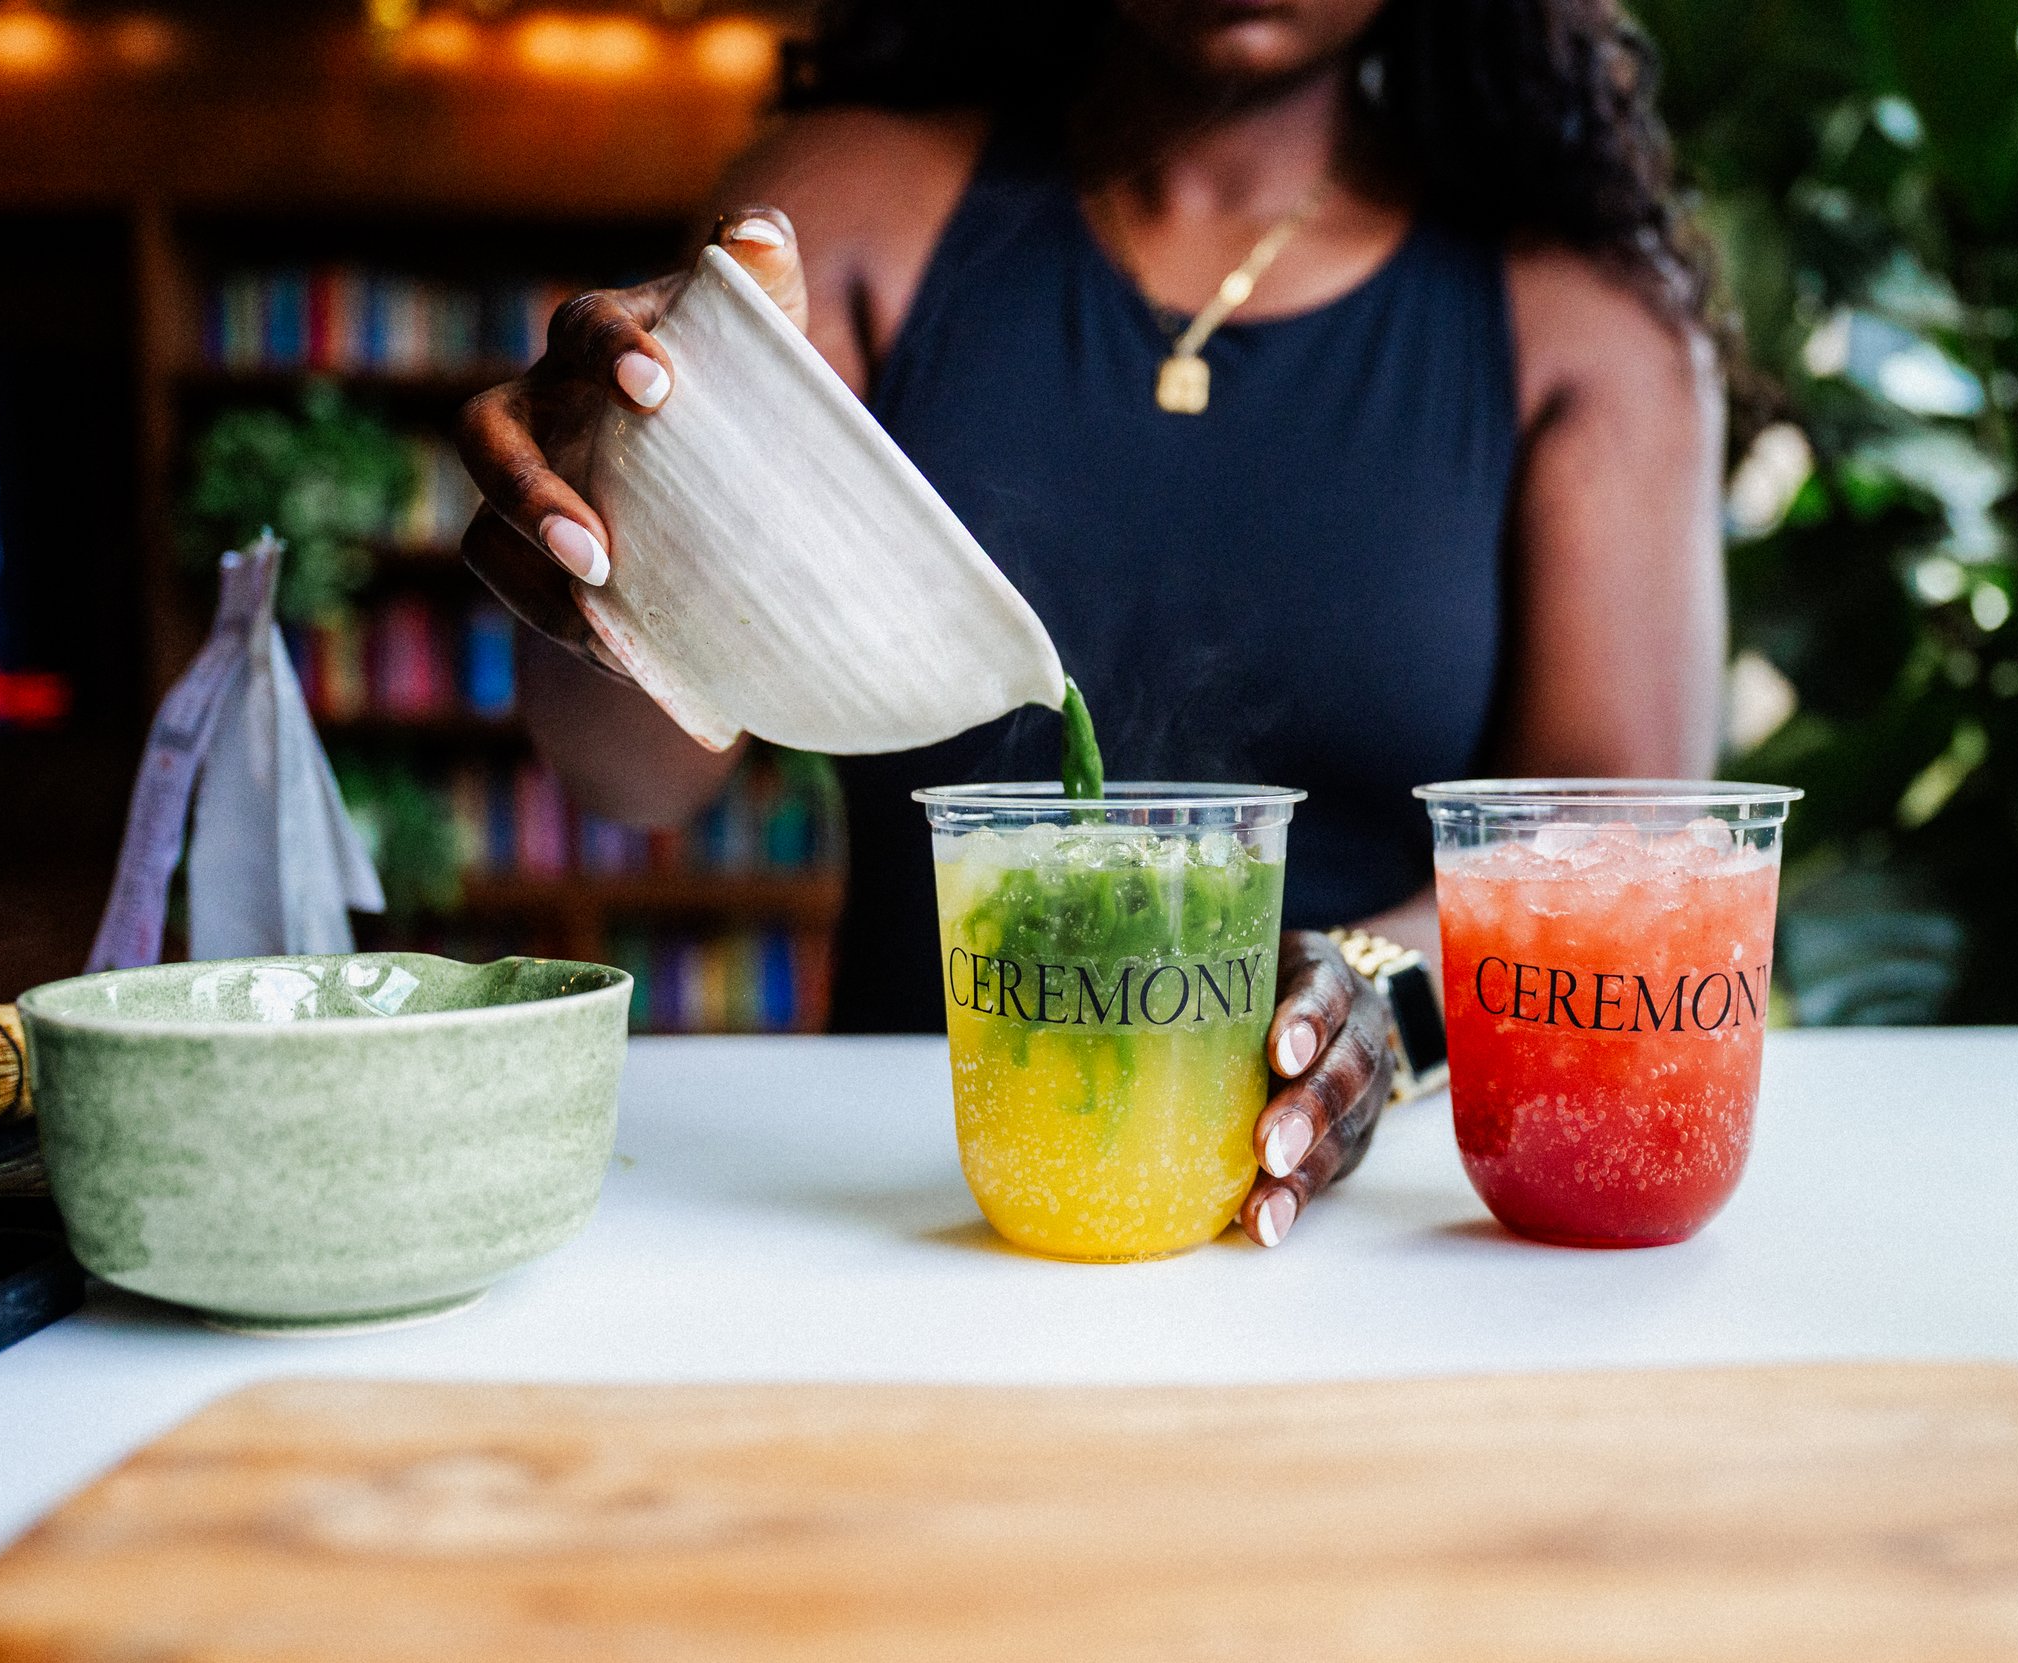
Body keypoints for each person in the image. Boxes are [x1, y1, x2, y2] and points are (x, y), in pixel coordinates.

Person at [454, 0, 1723, 1249]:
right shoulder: (849, 212)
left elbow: (1612, 866)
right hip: (893, 1210)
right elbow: (630, 775)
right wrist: (608, 503)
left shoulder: (1588, 327)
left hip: (1369, 1232)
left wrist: (1373, 1000)